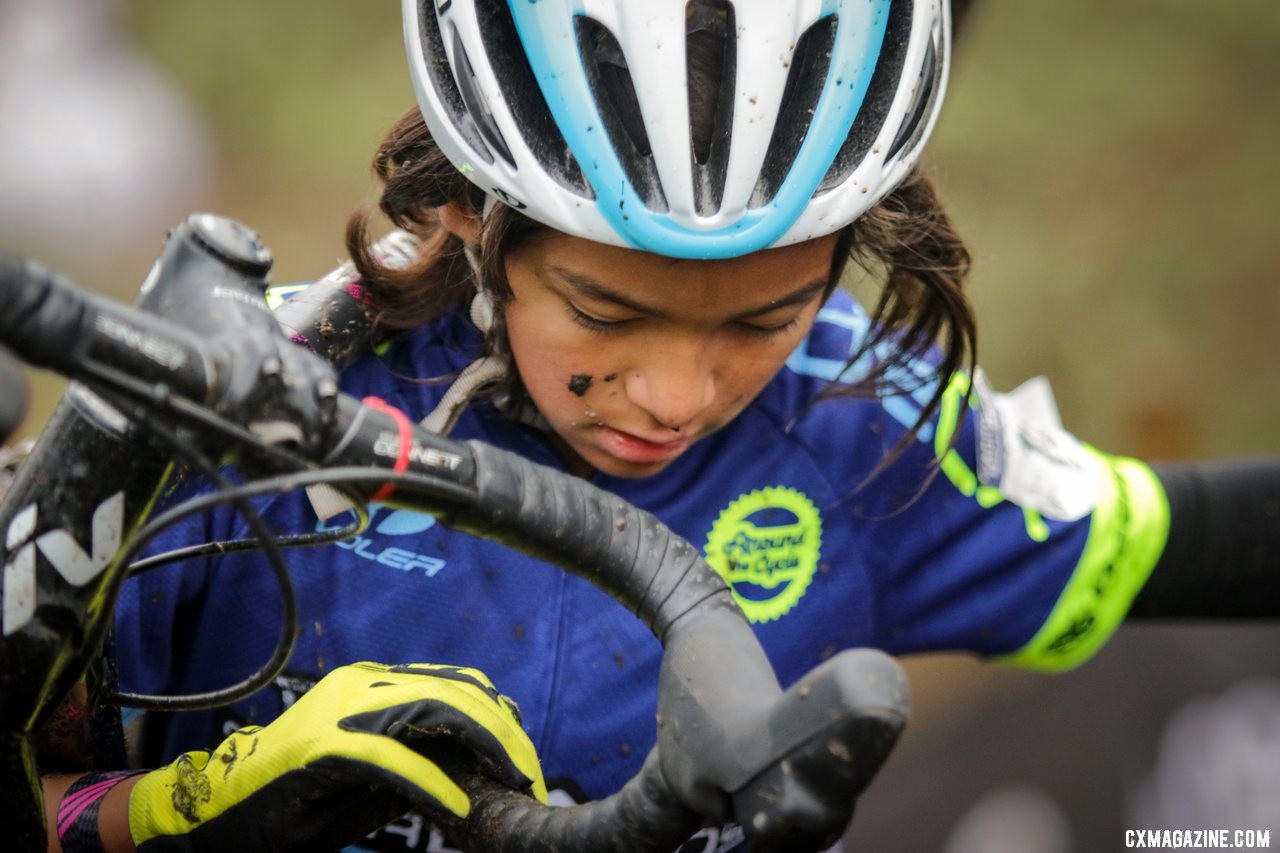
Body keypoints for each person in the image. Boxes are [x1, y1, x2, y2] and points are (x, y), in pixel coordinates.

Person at [34, 1, 1278, 850]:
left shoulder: (867, 429)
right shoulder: (230, 417)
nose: (677, 395)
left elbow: (1201, 532)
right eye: (604, 311)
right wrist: (175, 809)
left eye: (762, 320)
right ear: (472, 220)